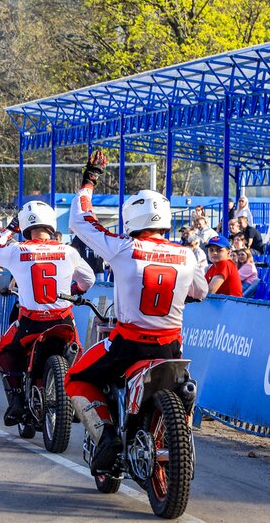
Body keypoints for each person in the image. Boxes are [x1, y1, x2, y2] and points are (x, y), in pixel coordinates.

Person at [65, 151, 208, 474]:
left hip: (128, 344)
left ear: (131, 218)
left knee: (75, 377)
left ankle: (107, 436)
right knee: (184, 387)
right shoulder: (187, 255)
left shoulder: (123, 248)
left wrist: (90, 180)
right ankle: (180, 431)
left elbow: (80, 220)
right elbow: (201, 291)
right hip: (171, 347)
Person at [0, 200, 95, 425]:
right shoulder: (68, 251)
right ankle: (73, 400)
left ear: (25, 225)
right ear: (51, 223)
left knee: (5, 349)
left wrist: (9, 229)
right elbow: (89, 279)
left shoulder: (16, 250)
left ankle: (16, 400)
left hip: (31, 323)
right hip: (63, 319)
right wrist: (75, 291)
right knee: (76, 353)